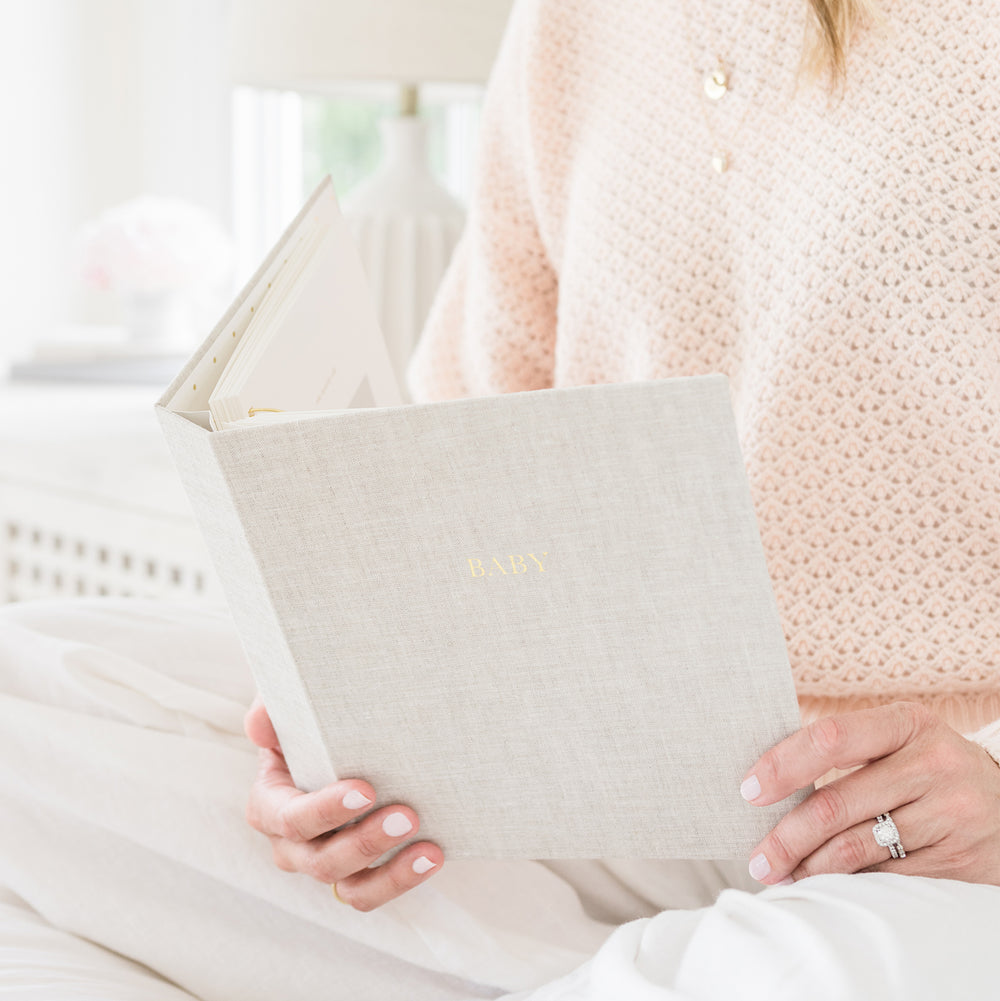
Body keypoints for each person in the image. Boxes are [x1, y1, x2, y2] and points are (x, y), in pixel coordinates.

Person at [1, 0, 999, 998]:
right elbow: (461, 449)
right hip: (585, 766)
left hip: (928, 836)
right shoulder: (574, 22)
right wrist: (329, 696)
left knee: (822, 965)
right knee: (24, 689)